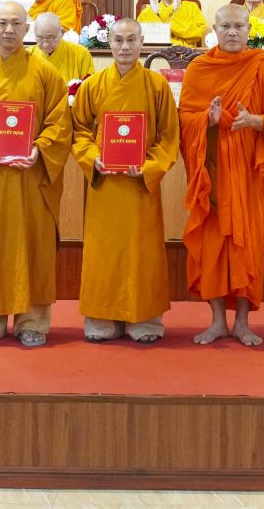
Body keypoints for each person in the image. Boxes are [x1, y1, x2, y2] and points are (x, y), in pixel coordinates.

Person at [0, 1, 72, 347]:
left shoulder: (45, 72)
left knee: (33, 245)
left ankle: (32, 322)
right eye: (2, 23)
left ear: (26, 28)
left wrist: (40, 148)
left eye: (16, 23)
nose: (8, 30)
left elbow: (60, 121)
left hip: (30, 177)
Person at [178, 4, 264, 346]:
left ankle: (243, 322)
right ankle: (217, 321)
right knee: (213, 243)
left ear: (249, 30)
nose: (232, 32)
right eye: (225, 26)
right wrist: (208, 120)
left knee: (248, 242)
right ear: (214, 30)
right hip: (212, 172)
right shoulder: (199, 68)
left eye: (239, 26)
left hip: (249, 171)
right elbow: (184, 116)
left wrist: (256, 121)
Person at [70, 18, 180, 343]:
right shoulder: (93, 84)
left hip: (140, 185)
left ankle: (144, 320)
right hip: (105, 185)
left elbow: (169, 136)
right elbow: (79, 130)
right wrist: (93, 158)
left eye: (132, 40)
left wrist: (149, 166)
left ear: (142, 42)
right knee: (104, 252)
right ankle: (101, 318)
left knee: (141, 252)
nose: (125, 47)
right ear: (109, 43)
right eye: (118, 40)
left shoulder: (157, 85)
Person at [137, 0, 208, 47]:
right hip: (155, 54)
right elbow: (141, 38)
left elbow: (198, 34)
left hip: (185, 53)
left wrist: (176, 11)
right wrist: (156, 14)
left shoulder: (192, 7)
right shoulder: (147, 12)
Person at [30, 12, 95, 85]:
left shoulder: (81, 54)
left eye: (50, 38)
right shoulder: (27, 55)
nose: (45, 45)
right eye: (40, 38)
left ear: (62, 32)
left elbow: (89, 87)